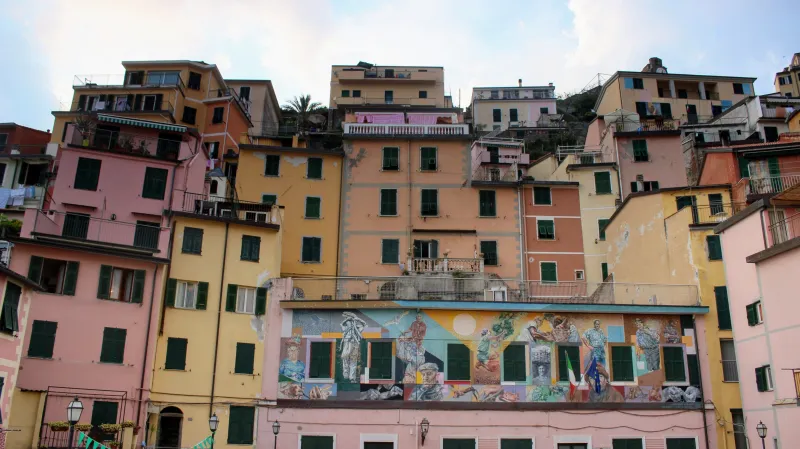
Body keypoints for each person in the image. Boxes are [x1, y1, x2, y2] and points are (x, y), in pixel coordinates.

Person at [340, 312, 366, 382]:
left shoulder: (357, 329)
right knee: (345, 360)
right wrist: (346, 320)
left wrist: (358, 319)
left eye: (351, 321)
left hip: (355, 345)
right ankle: (345, 376)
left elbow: (365, 324)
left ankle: (352, 377)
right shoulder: (345, 329)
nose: (350, 322)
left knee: (353, 362)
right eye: (349, 321)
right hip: (347, 343)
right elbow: (341, 324)